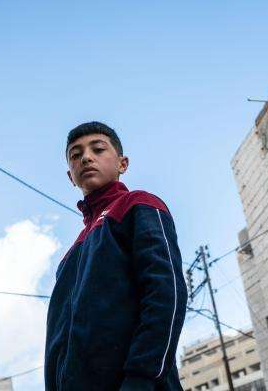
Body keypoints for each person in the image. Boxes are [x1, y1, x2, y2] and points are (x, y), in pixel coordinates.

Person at [45, 121, 187, 391]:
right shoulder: (69, 257)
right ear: (70, 176)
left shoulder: (139, 205)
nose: (86, 157)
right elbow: (57, 339)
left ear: (122, 163)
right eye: (76, 155)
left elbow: (166, 293)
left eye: (98, 149)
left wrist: (141, 379)